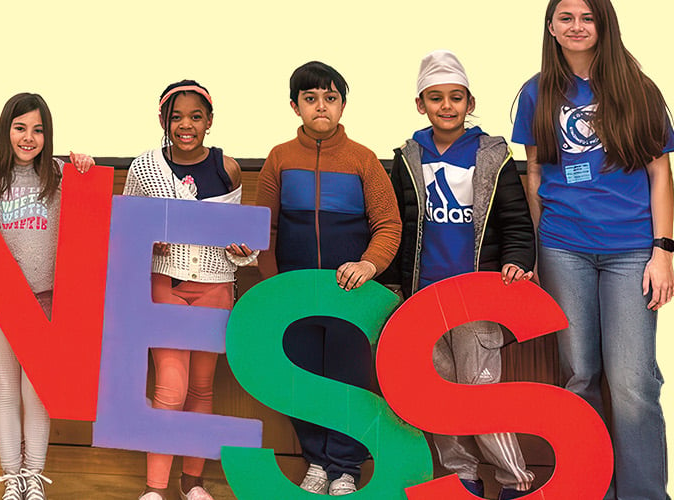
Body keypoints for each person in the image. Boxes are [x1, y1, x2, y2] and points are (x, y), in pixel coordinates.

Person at [512, 1, 674, 497]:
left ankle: (644, 493)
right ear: (551, 27)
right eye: (566, 18)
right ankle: (592, 487)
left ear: (603, 25)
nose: (577, 27)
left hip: (630, 250)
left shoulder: (636, 88)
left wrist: (663, 250)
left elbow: (659, 172)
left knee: (632, 383)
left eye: (587, 18)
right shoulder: (536, 92)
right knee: (578, 376)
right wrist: (540, 249)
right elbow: (536, 171)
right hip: (564, 249)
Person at [387, 50, 536, 500]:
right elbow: (397, 224)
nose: (446, 106)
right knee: (438, 393)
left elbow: (515, 219)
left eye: (456, 98)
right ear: (420, 104)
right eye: (436, 98)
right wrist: (395, 286)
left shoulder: (491, 154)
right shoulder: (408, 156)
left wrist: (518, 259)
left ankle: (515, 480)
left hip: (476, 296)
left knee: (480, 393)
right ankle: (462, 475)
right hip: (424, 298)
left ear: (470, 102)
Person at [255, 61, 400, 496]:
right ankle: (316, 461)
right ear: (295, 105)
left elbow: (388, 224)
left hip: (348, 299)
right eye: (311, 98)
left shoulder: (363, 159)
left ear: (342, 105)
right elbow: (266, 228)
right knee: (301, 381)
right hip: (293, 297)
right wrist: (273, 284)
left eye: (331, 98)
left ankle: (346, 468)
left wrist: (368, 266)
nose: (322, 107)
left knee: (348, 382)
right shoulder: (279, 158)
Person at [0, 92, 93, 500]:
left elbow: (87, 216)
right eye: (20, 128)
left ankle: (34, 474)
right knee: (5, 386)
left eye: (38, 130)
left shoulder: (60, 175)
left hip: (46, 297)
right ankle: (12, 476)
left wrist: (85, 168)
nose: (29, 137)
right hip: (2, 297)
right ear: (6, 130)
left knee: (38, 388)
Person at [122, 80, 255, 500]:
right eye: (176, 116)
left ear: (209, 121)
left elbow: (239, 244)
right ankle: (154, 488)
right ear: (163, 120)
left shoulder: (227, 168)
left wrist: (241, 250)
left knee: (201, 388)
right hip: (167, 286)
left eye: (195, 117)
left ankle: (191, 483)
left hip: (215, 287)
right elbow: (127, 232)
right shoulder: (144, 168)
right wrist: (148, 240)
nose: (186, 125)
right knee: (170, 388)